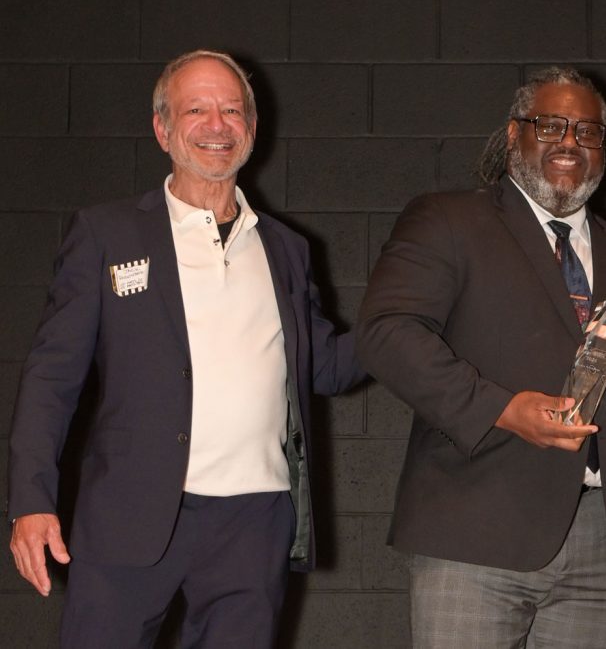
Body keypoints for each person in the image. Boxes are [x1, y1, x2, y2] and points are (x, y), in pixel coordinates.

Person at [6, 49, 364, 647]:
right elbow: (51, 378)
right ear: (162, 128)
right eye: (195, 109)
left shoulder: (286, 250)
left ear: (251, 129)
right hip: (129, 515)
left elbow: (324, 366)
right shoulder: (107, 233)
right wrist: (30, 500)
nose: (216, 126)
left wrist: (407, 323)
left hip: (254, 521)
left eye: (231, 110)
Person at [356, 67, 606, 648]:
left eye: (587, 131)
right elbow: (386, 333)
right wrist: (502, 409)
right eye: (550, 125)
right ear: (515, 135)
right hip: (474, 530)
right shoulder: (447, 219)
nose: (570, 141)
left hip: (603, 543)